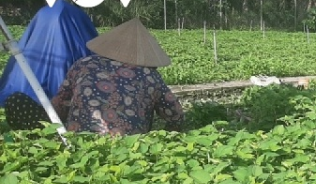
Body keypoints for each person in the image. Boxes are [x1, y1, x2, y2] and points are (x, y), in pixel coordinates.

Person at [6, 18, 184, 136]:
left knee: (17, 101)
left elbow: (58, 107)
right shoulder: (150, 75)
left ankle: (40, 145)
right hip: (131, 148)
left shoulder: (84, 64)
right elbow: (176, 116)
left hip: (77, 142)